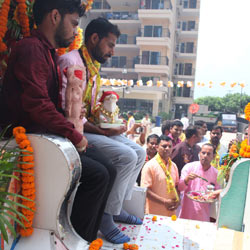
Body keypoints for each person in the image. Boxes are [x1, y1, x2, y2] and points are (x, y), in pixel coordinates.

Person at [0, 0, 118, 243]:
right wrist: (75, 135)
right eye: (74, 23)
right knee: (98, 175)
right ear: (55, 16)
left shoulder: (48, 53)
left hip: (47, 136)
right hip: (27, 139)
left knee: (110, 169)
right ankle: (75, 240)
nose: (76, 31)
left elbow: (48, 106)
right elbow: (38, 105)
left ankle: (85, 239)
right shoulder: (31, 49)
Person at [58, 18, 146, 244]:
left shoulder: (93, 68)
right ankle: (106, 218)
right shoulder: (71, 61)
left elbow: (92, 108)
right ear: (94, 39)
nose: (112, 51)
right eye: (110, 45)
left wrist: (111, 123)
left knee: (139, 152)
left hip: (90, 127)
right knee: (125, 156)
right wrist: (100, 129)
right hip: (71, 129)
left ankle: (116, 210)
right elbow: (68, 109)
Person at [178, 143, 220, 222]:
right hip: (186, 214)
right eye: (203, 153)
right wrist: (187, 179)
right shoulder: (189, 167)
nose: (205, 156)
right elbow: (180, 187)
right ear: (199, 154)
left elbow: (218, 193)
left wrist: (214, 194)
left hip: (203, 216)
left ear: (213, 156)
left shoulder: (216, 173)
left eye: (208, 154)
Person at [141, 135, 180, 216]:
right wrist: (164, 202)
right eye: (164, 146)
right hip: (154, 213)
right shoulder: (149, 166)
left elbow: (176, 186)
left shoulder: (174, 166)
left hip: (171, 211)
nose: (167, 149)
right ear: (157, 147)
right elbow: (145, 191)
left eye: (170, 146)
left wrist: (177, 200)